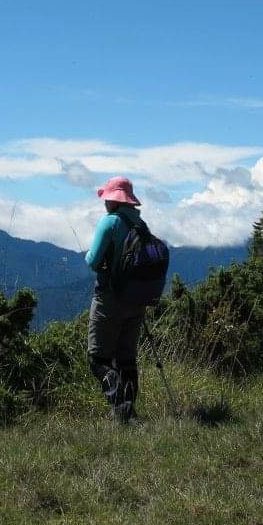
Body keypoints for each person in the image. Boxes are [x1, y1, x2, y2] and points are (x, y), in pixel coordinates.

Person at [84, 176, 147, 423]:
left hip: (109, 298)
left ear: (112, 200)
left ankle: (121, 410)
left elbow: (93, 260)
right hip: (137, 300)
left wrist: (89, 254)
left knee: (98, 358)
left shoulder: (110, 223)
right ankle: (129, 413)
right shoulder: (140, 224)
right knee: (126, 359)